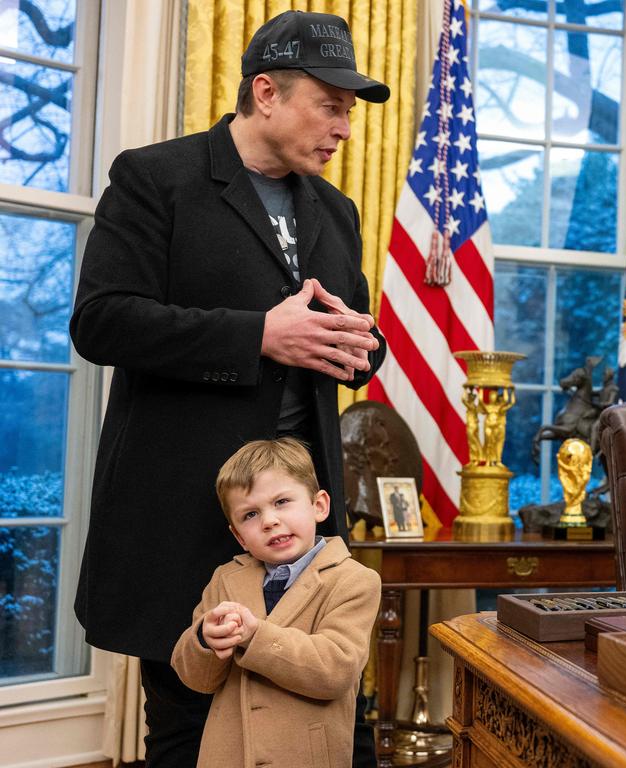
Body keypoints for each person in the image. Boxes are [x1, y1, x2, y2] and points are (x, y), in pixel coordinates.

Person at [70, 11, 387, 766]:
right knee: (188, 737)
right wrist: (256, 336)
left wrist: (360, 347)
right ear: (267, 91)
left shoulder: (335, 212)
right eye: (331, 105)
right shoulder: (155, 178)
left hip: (303, 532)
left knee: (337, 732)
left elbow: (349, 347)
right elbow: (104, 322)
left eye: (349, 111)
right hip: (182, 520)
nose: (344, 128)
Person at [171, 438, 381, 768]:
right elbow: (197, 679)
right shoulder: (225, 579)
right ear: (239, 536)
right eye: (251, 514)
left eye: (282, 502)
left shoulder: (354, 581)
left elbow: (335, 670)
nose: (269, 521)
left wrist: (256, 636)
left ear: (319, 506)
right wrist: (203, 640)